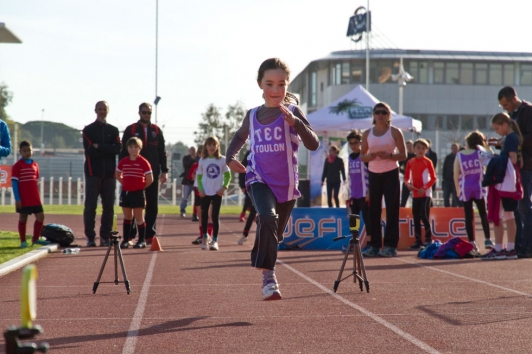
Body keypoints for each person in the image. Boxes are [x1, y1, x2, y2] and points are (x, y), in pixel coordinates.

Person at [226, 58, 319, 301]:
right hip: (258, 178)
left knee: (274, 233)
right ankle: (269, 278)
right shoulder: (253, 115)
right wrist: (229, 157)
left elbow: (314, 144)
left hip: (286, 185)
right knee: (267, 217)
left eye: (281, 84)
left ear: (287, 85)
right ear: (260, 85)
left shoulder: (293, 112)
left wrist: (295, 123)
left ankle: (262, 256)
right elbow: (239, 135)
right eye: (269, 84)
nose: (276, 90)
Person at [360, 102, 407, 257]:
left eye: (384, 112)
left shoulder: (395, 132)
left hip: (391, 173)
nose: (380, 115)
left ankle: (390, 245)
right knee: (373, 210)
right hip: (374, 173)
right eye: (377, 112)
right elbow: (362, 156)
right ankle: (374, 245)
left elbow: (403, 155)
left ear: (388, 115)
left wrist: (390, 156)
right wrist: (371, 156)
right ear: (373, 115)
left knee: (392, 209)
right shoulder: (367, 133)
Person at [120, 102, 168, 245]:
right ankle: (130, 235)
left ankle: (149, 235)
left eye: (149, 113)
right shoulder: (131, 129)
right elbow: (123, 151)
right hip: (133, 175)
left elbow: (162, 153)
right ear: (139, 113)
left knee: (152, 204)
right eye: (144, 112)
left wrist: (164, 171)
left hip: (151, 173)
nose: (146, 115)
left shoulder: (157, 131)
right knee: (134, 205)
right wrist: (122, 169)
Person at [481, 113, 523, 260]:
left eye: (498, 128)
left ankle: (504, 248)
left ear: (505, 125)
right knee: (506, 214)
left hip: (506, 181)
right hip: (508, 180)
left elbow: (512, 159)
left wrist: (493, 159)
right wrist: (499, 144)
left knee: (504, 215)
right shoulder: (511, 137)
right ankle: (506, 248)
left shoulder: (511, 138)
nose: (497, 131)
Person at [498, 86, 532, 258]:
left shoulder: (528, 111)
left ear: (513, 99)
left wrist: (511, 139)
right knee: (517, 208)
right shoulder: (512, 116)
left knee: (525, 206)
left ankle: (528, 245)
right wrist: (504, 141)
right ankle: (519, 244)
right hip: (515, 168)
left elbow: (528, 138)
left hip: (526, 165)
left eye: (505, 105)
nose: (505, 109)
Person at [82, 101, 121, 247]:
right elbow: (90, 150)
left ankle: (105, 236)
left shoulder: (114, 130)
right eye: (100, 109)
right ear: (95, 110)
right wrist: (107, 148)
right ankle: (90, 237)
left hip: (110, 174)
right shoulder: (88, 130)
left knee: (108, 207)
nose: (102, 111)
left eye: (104, 109)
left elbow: (117, 149)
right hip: (93, 174)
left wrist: (100, 147)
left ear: (108, 111)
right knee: (90, 207)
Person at [454, 131, 492, 251]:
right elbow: (491, 159)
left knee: (468, 215)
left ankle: (472, 242)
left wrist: (457, 190)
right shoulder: (481, 153)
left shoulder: (459, 155)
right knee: (482, 214)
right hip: (479, 187)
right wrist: (486, 146)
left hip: (465, 188)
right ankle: (487, 239)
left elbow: (455, 174)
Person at [116, 137, 153, 249]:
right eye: (131, 147)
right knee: (127, 217)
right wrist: (126, 184)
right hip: (126, 193)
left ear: (139, 148)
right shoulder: (123, 161)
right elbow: (118, 174)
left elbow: (150, 179)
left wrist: (140, 187)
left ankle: (141, 240)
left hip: (138, 193)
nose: (133, 149)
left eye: (136, 147)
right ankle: (126, 240)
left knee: (139, 218)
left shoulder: (144, 162)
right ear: (127, 148)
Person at [11, 141, 49, 248]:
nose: (27, 153)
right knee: (23, 218)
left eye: (29, 150)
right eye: (24, 151)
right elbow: (14, 183)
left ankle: (35, 239)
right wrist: (17, 198)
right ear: (20, 152)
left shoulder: (35, 165)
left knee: (40, 217)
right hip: (24, 198)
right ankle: (23, 241)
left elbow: (35, 181)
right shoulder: (17, 166)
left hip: (35, 198)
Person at [197, 136, 231, 251]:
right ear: (206, 147)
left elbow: (227, 175)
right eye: (209, 145)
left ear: (218, 146)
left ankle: (215, 240)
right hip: (205, 192)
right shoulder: (202, 161)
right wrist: (200, 189)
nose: (211, 147)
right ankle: (205, 237)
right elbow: (199, 176)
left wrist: (224, 187)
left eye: (214, 145)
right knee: (204, 215)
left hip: (217, 192)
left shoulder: (222, 160)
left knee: (215, 216)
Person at [403, 139, 436, 250]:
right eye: (418, 148)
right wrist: (407, 184)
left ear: (426, 150)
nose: (420, 150)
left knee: (424, 216)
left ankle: (428, 239)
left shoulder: (428, 162)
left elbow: (433, 178)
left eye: (423, 148)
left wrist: (424, 188)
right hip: (415, 194)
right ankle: (418, 241)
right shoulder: (410, 162)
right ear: (413, 149)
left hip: (426, 194)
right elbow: (406, 177)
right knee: (416, 217)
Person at [345, 130, 371, 249]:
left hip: (364, 194)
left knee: (367, 220)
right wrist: (349, 194)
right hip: (353, 195)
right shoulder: (350, 157)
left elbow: (370, 175)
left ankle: (370, 244)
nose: (353, 145)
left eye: (355, 142)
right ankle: (355, 244)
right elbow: (350, 176)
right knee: (354, 221)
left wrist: (369, 192)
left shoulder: (364, 156)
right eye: (351, 143)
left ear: (361, 143)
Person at [238, 150, 258, 245]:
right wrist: (242, 185)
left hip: (267, 188)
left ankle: (264, 239)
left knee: (267, 216)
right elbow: (242, 171)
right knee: (252, 212)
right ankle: (245, 235)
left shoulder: (267, 152)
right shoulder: (249, 154)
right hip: (252, 187)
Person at [180, 146, 198, 220]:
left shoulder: (198, 158)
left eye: (194, 150)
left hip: (196, 181)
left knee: (197, 198)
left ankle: (196, 212)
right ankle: (182, 210)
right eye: (191, 150)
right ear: (189, 151)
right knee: (185, 197)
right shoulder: (186, 158)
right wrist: (191, 159)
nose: (193, 151)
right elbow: (185, 165)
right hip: (187, 181)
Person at [442, 142, 460, 207]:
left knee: (455, 198)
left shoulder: (459, 158)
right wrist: (444, 179)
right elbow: (444, 168)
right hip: (447, 181)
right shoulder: (448, 158)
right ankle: (446, 210)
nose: (454, 149)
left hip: (455, 181)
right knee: (446, 197)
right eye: (453, 148)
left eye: (456, 148)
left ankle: (453, 210)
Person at [239, 150, 253, 222]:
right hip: (247, 184)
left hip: (256, 182)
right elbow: (241, 175)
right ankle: (243, 214)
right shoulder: (244, 165)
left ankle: (253, 214)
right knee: (248, 199)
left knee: (255, 200)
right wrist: (242, 186)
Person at [399, 140, 415, 207]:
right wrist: (404, 172)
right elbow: (398, 166)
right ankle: (402, 209)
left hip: (416, 177)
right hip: (407, 178)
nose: (409, 147)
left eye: (410, 146)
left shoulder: (416, 156)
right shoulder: (405, 156)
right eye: (407, 146)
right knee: (404, 197)